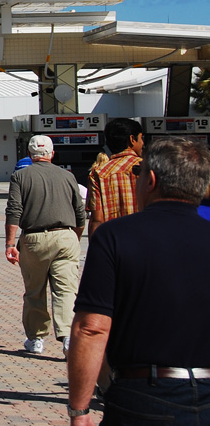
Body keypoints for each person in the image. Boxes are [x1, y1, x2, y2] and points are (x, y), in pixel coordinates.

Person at [66, 136, 210, 426]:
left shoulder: (115, 236)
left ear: (150, 180)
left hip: (145, 392)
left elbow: (92, 327)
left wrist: (79, 410)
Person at [4, 135, 87, 355]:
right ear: (51, 153)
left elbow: (14, 211)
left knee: (34, 290)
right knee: (66, 289)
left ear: (30, 155)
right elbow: (80, 212)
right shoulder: (67, 176)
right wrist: (75, 238)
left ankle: (36, 338)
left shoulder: (20, 176)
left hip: (34, 238)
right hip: (66, 236)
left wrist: (10, 243)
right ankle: (68, 337)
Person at [86, 117, 144, 238]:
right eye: (141, 138)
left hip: (114, 243)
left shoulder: (98, 173)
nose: (143, 143)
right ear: (132, 139)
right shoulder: (149, 168)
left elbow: (97, 220)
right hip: (146, 241)